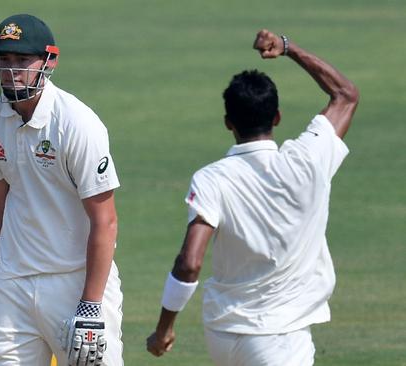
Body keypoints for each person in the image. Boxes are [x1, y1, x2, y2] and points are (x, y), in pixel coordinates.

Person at [146, 29, 359, 365]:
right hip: (281, 337)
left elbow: (189, 264)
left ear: (228, 123)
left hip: (222, 334)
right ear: (276, 117)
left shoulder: (212, 178)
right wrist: (288, 48)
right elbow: (345, 95)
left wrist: (164, 330)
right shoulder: (309, 159)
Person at [0, 14, 124, 366]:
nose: (10, 70)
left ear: (50, 60)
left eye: (22, 60)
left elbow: (105, 220)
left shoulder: (76, 123)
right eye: (4, 60)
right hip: (13, 280)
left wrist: (91, 304)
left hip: (74, 283)